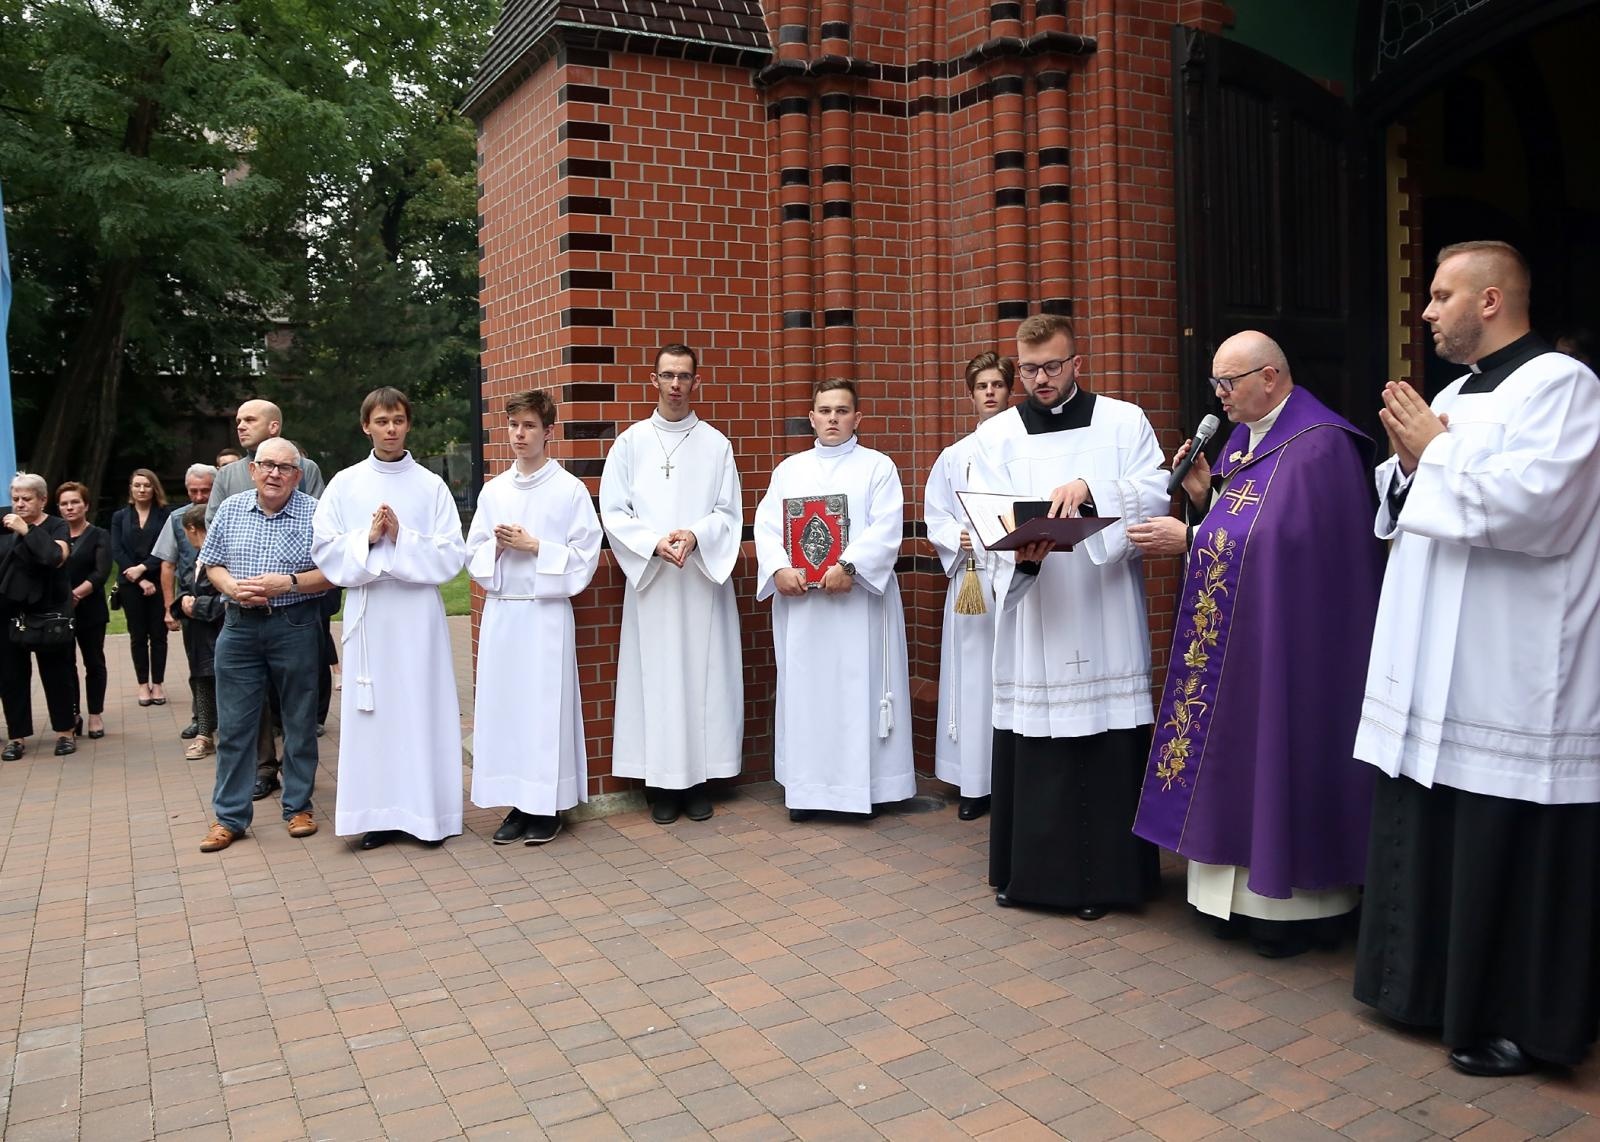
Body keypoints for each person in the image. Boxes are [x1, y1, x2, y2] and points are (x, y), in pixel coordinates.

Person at [1353, 240, 1600, 1077]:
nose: (1425, 311)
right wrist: (1411, 465)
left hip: (1514, 666)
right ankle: (1422, 990)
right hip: (1437, 661)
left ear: (1491, 301)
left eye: (1440, 295)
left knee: (1506, 837)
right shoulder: (1454, 393)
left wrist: (1436, 453)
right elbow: (1398, 495)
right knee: (1435, 820)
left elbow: (1543, 509)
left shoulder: (1564, 386)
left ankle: (1520, 1021)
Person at [1126, 331, 1383, 957]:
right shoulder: (1244, 439)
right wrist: (1201, 497)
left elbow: (1300, 549)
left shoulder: (1321, 446)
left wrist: (1190, 541)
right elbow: (1246, 524)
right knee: (1237, 751)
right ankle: (1225, 896)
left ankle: (1293, 907)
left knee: (1281, 749)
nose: (1218, 397)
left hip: (1297, 647)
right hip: (1240, 638)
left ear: (1269, 378)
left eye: (1228, 383)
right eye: (1215, 383)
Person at [968, 314, 1169, 919]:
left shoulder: (1123, 420)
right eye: (1029, 369)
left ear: (1077, 363)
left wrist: (1092, 488)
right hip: (1040, 607)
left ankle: (1111, 881)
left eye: (1052, 367)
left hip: (1102, 605)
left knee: (1105, 743)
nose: (1040, 380)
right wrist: (1016, 552)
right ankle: (1033, 876)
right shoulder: (997, 435)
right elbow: (985, 516)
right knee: (1040, 741)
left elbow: (1157, 489)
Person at [755, 379, 915, 822]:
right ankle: (807, 791)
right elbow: (767, 526)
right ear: (811, 417)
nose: (832, 418)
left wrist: (849, 567)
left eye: (842, 411)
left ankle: (860, 789)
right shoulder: (789, 470)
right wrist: (776, 568)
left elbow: (887, 528)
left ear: (857, 418)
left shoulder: (878, 467)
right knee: (806, 694)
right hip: (803, 608)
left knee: (855, 690)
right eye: (824, 410)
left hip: (855, 605)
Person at [313, 387, 466, 851]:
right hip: (371, 611)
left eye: (398, 420)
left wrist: (402, 538)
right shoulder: (345, 483)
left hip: (417, 613)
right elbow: (324, 548)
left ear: (408, 424)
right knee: (376, 715)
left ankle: (426, 814)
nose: (391, 429)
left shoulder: (430, 485)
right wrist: (369, 536)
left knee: (419, 707)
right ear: (367, 426)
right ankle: (379, 813)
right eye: (382, 421)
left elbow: (451, 553)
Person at [599, 344, 744, 825]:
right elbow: (614, 511)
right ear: (653, 380)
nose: (676, 385)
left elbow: (728, 512)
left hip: (700, 579)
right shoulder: (631, 443)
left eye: (684, 376)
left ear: (696, 381)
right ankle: (661, 784)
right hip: (654, 581)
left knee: (704, 678)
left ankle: (700, 779)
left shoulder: (716, 444)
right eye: (668, 375)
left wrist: (695, 535)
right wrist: (653, 542)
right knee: (656, 680)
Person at [468, 389, 601, 845]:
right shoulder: (494, 490)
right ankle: (516, 803)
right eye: (514, 426)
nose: (520, 435)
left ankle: (548, 805)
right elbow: (474, 554)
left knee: (544, 711)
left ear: (549, 432)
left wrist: (536, 546)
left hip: (545, 614)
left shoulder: (569, 490)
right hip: (505, 614)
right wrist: (498, 548)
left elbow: (586, 555)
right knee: (506, 711)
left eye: (529, 426)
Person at [195, 437, 333, 852]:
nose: (275, 473)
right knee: (235, 726)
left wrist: (287, 583)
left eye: (285, 467)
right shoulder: (233, 508)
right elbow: (212, 563)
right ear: (252, 470)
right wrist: (233, 588)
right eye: (267, 465)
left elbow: (332, 573)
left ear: (299, 475)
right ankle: (229, 818)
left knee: (299, 721)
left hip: (294, 624)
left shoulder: (316, 513)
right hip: (238, 627)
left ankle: (298, 807)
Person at [924, 351, 1015, 821]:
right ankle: (975, 783)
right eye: (982, 386)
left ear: (1008, 390)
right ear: (971, 393)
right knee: (973, 675)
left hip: (1016, 574)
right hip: (972, 577)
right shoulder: (954, 456)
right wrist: (951, 536)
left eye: (997, 384)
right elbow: (934, 513)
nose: (990, 393)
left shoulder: (1024, 447)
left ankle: (1013, 778)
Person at [0, 474, 78, 759]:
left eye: (26, 499)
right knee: (10, 675)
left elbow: (53, 558)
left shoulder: (57, 525)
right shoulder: (3, 522)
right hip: (8, 610)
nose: (19, 504)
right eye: (15, 499)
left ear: (42, 499)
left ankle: (65, 731)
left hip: (49, 610)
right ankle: (17, 736)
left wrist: (26, 530)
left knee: (56, 672)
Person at [153, 463, 216, 740]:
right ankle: (201, 718)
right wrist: (170, 609)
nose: (200, 496)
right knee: (198, 664)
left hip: (221, 603)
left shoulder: (226, 514)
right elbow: (168, 565)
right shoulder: (177, 518)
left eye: (206, 490)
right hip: (190, 603)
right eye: (194, 491)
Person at [111, 469, 172, 707]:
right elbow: (117, 550)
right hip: (130, 584)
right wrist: (137, 577)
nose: (142, 490)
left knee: (158, 635)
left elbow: (167, 547)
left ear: (154, 488)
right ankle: (141, 684)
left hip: (158, 580)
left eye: (146, 485)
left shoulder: (165, 515)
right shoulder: (119, 517)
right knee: (137, 636)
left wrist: (145, 569)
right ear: (131, 488)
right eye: (137, 485)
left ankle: (157, 683)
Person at [58, 482, 111, 740]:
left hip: (91, 609)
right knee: (66, 665)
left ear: (86, 505)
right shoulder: (52, 535)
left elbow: (101, 572)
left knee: (94, 661)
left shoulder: (99, 534)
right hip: (61, 612)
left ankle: (95, 714)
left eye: (75, 502)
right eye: (64, 503)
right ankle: (73, 712)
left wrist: (77, 594)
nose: (70, 507)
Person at [173, 506, 224, 760]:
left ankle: (228, 734)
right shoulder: (195, 558)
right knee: (202, 680)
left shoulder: (222, 557)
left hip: (219, 631)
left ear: (192, 529)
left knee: (224, 683)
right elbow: (184, 586)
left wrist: (199, 606)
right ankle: (204, 735)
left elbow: (227, 597)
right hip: (197, 635)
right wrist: (182, 601)